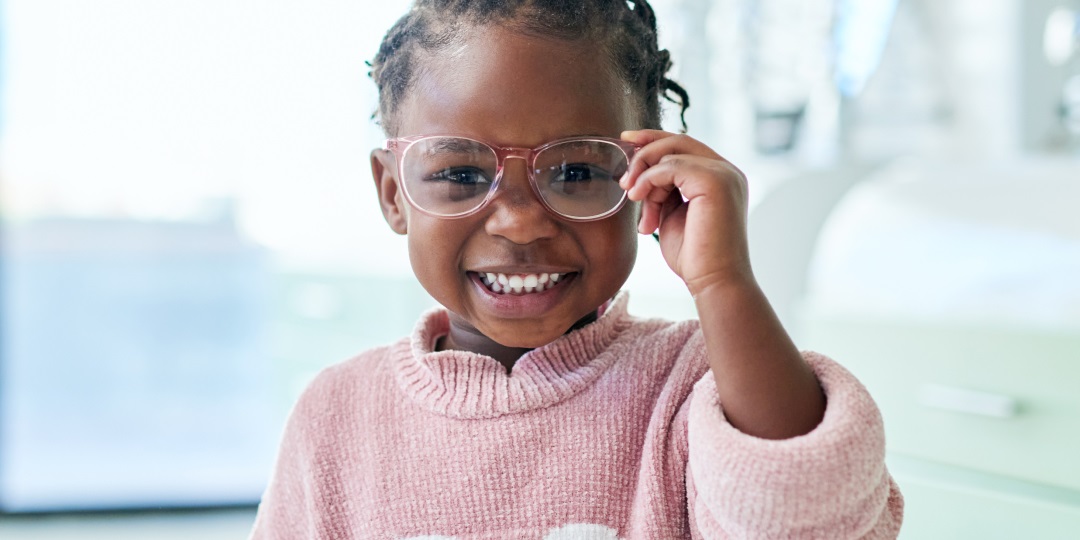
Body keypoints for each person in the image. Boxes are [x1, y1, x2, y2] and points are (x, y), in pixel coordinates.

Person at [249, 1, 903, 538]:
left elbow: (811, 519)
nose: (519, 223)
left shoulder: (702, 386)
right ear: (394, 194)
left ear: (649, 178)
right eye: (459, 174)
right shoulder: (335, 415)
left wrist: (723, 282)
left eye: (577, 172)